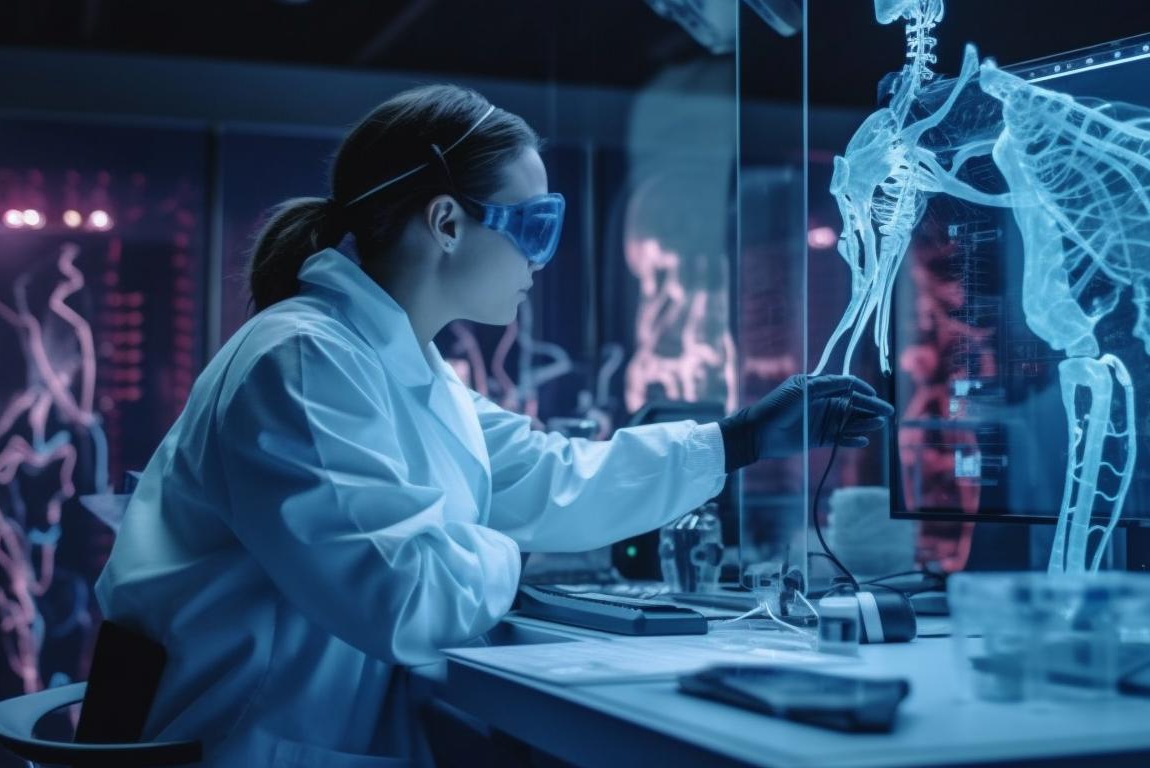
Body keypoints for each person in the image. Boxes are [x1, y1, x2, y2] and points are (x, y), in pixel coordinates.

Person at [95, 84, 892, 766]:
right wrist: (518, 550)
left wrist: (742, 438)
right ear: (446, 223)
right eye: (534, 225)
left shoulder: (400, 366)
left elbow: (548, 476)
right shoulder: (302, 361)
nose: (541, 259)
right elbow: (404, 599)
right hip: (247, 745)